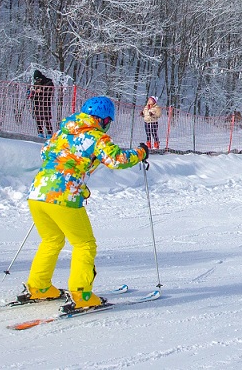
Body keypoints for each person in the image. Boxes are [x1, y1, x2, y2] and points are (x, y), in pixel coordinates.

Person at [20, 96, 148, 312]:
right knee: (84, 244)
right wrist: (141, 152)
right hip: (63, 197)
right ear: (104, 119)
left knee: (51, 240)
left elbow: (45, 153)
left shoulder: (62, 132)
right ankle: (82, 294)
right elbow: (116, 160)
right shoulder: (96, 136)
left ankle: (39, 287)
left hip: (37, 193)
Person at [29, 70, 55, 137]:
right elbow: (32, 94)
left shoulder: (49, 83)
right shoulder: (35, 84)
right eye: (36, 79)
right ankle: (40, 134)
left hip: (45, 104)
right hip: (37, 104)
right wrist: (32, 93)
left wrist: (41, 91)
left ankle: (49, 134)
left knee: (46, 119)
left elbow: (49, 93)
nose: (38, 81)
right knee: (38, 119)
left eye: (39, 79)